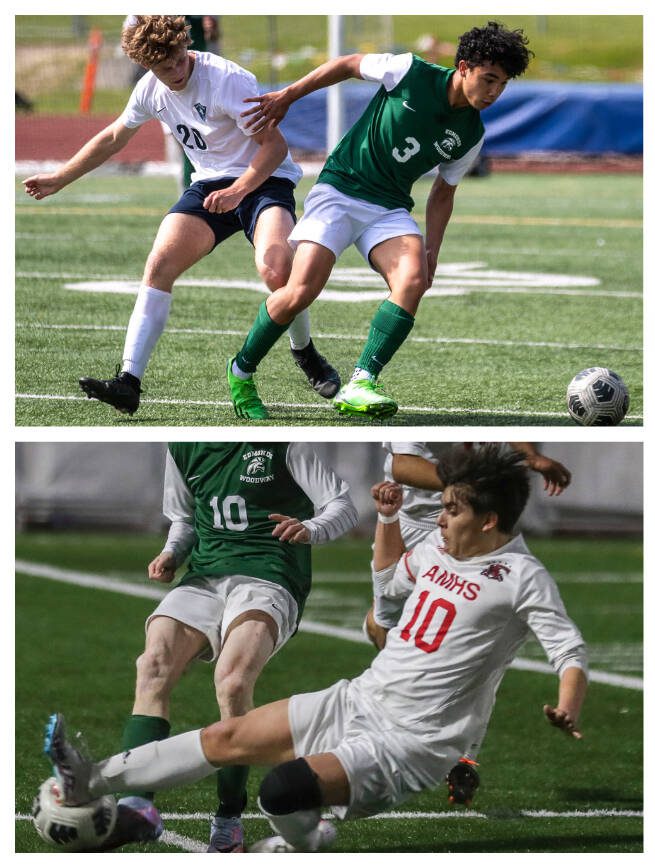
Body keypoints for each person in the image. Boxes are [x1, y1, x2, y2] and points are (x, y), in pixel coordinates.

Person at [44, 444, 588, 853]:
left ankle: (303, 846)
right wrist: (389, 519)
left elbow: (569, 651)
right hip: (360, 698)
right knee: (225, 736)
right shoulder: (437, 552)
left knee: (281, 791)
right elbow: (390, 577)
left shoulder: (522, 576)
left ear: (489, 521)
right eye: (441, 508)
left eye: (451, 511)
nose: (441, 519)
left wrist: (568, 705)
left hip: (410, 741)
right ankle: (88, 778)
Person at [21, 15, 340, 416]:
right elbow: (113, 136)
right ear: (146, 65)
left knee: (277, 270)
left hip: (264, 181)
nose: (173, 72)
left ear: (184, 44)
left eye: (175, 59)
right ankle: (129, 382)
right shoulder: (151, 89)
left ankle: (304, 351)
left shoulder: (227, 79)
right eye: (161, 67)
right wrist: (60, 177)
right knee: (159, 265)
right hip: (209, 187)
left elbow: (274, 147)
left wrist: (239, 190)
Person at [225, 22, 532, 420]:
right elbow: (348, 64)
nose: (493, 93)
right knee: (299, 291)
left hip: (388, 208)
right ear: (462, 68)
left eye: (502, 85)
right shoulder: (410, 71)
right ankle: (241, 371)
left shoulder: (471, 133)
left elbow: (444, 191)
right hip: (339, 190)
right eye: (488, 79)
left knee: (414, 278)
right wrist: (288, 95)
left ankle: (361, 381)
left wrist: (433, 247)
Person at [105, 442, 357, 852]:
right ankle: (137, 806)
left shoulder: (283, 445)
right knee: (153, 664)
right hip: (206, 575)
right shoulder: (183, 446)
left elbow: (342, 505)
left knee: (233, 682)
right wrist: (172, 552)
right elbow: (184, 518)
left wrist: (311, 529)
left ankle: (228, 816)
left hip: (270, 577)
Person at [363, 441, 573, 804]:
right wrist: (464, 482)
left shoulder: (522, 572)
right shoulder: (425, 422)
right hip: (417, 525)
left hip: (467, 524)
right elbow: (402, 465)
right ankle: (405, 715)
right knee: (379, 624)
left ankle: (462, 755)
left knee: (477, 655)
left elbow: (501, 434)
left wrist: (529, 457)